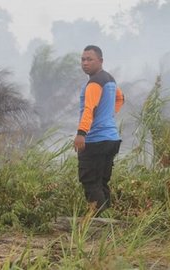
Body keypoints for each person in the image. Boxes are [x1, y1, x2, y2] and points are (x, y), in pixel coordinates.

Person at [73, 45, 124, 216]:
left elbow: (89, 109)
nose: (85, 63)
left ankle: (100, 222)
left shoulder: (94, 83)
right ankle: (108, 222)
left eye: (90, 59)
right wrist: (108, 116)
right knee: (101, 182)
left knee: (90, 182)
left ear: (100, 61)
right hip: (111, 139)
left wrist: (81, 134)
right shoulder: (109, 79)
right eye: (83, 59)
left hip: (95, 140)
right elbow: (120, 98)